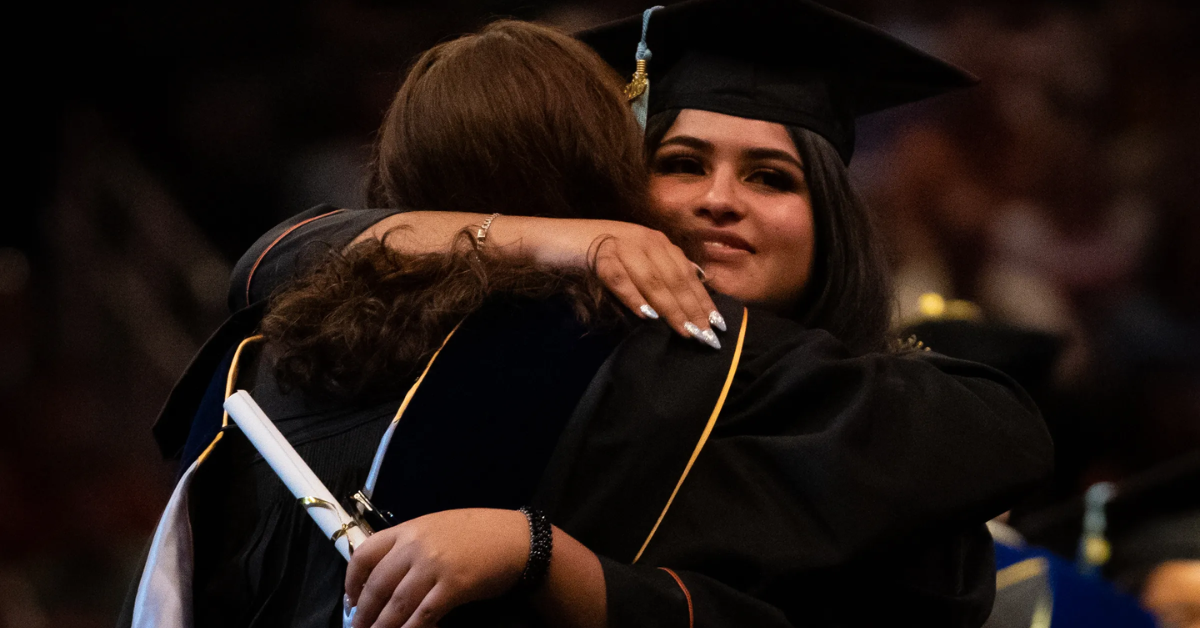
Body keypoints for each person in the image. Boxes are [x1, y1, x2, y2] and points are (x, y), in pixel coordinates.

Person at [131, 2, 1053, 627]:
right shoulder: (565, 361)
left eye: (770, 178)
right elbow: (281, 257)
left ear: (831, 225)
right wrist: (564, 241)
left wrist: (547, 560)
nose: (718, 200)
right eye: (682, 163)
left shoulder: (838, 408)